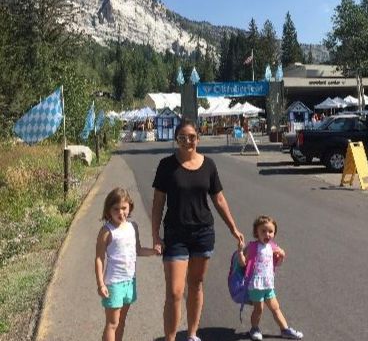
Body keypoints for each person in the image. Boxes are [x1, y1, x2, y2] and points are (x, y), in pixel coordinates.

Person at [151, 117, 244, 341]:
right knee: (174, 291)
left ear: (198, 139)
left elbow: (219, 200)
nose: (187, 141)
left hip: (203, 233)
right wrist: (155, 235)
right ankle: (170, 338)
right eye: (182, 138)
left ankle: (192, 333)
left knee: (196, 284)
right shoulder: (166, 165)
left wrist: (233, 227)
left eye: (191, 137)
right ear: (176, 140)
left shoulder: (209, 165)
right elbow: (158, 204)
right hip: (175, 235)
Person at [95, 187, 157, 341]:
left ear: (130, 206)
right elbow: (99, 258)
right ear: (108, 210)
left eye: (124, 208)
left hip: (130, 281)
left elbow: (138, 250)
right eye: (116, 209)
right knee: (112, 323)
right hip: (114, 283)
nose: (121, 212)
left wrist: (153, 251)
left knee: (121, 321)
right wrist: (101, 284)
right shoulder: (106, 231)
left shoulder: (132, 227)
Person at [237, 215, 304, 340]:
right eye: (263, 231)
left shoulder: (273, 247)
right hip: (256, 285)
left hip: (268, 284)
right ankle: (254, 329)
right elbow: (243, 263)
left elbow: (277, 264)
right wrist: (240, 251)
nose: (267, 234)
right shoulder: (252, 247)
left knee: (276, 308)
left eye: (270, 231)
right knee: (259, 309)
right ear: (256, 232)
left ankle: (285, 330)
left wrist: (282, 256)